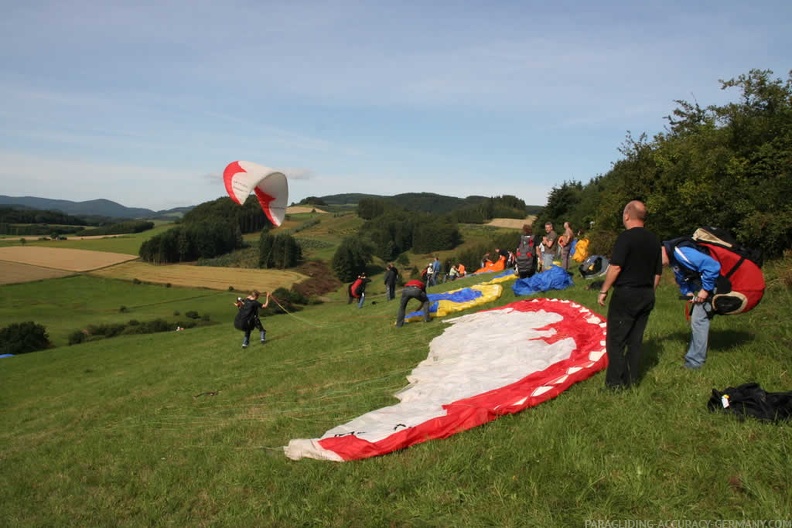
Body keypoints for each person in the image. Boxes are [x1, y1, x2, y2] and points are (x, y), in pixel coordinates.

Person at [597, 201, 662, 390]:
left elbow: (616, 267)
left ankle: (615, 384)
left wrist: (604, 290)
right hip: (647, 293)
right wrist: (649, 292)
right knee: (635, 340)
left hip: (627, 294)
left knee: (616, 340)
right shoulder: (654, 240)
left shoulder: (626, 238)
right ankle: (631, 380)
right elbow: (657, 273)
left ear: (627, 215)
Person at [661, 239, 721, 369]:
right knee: (698, 320)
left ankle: (695, 362)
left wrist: (705, 290)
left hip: (713, 285)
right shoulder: (673, 258)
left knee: (699, 321)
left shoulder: (682, 252)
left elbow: (713, 266)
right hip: (704, 287)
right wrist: (687, 292)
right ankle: (695, 360)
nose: (660, 266)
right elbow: (681, 276)